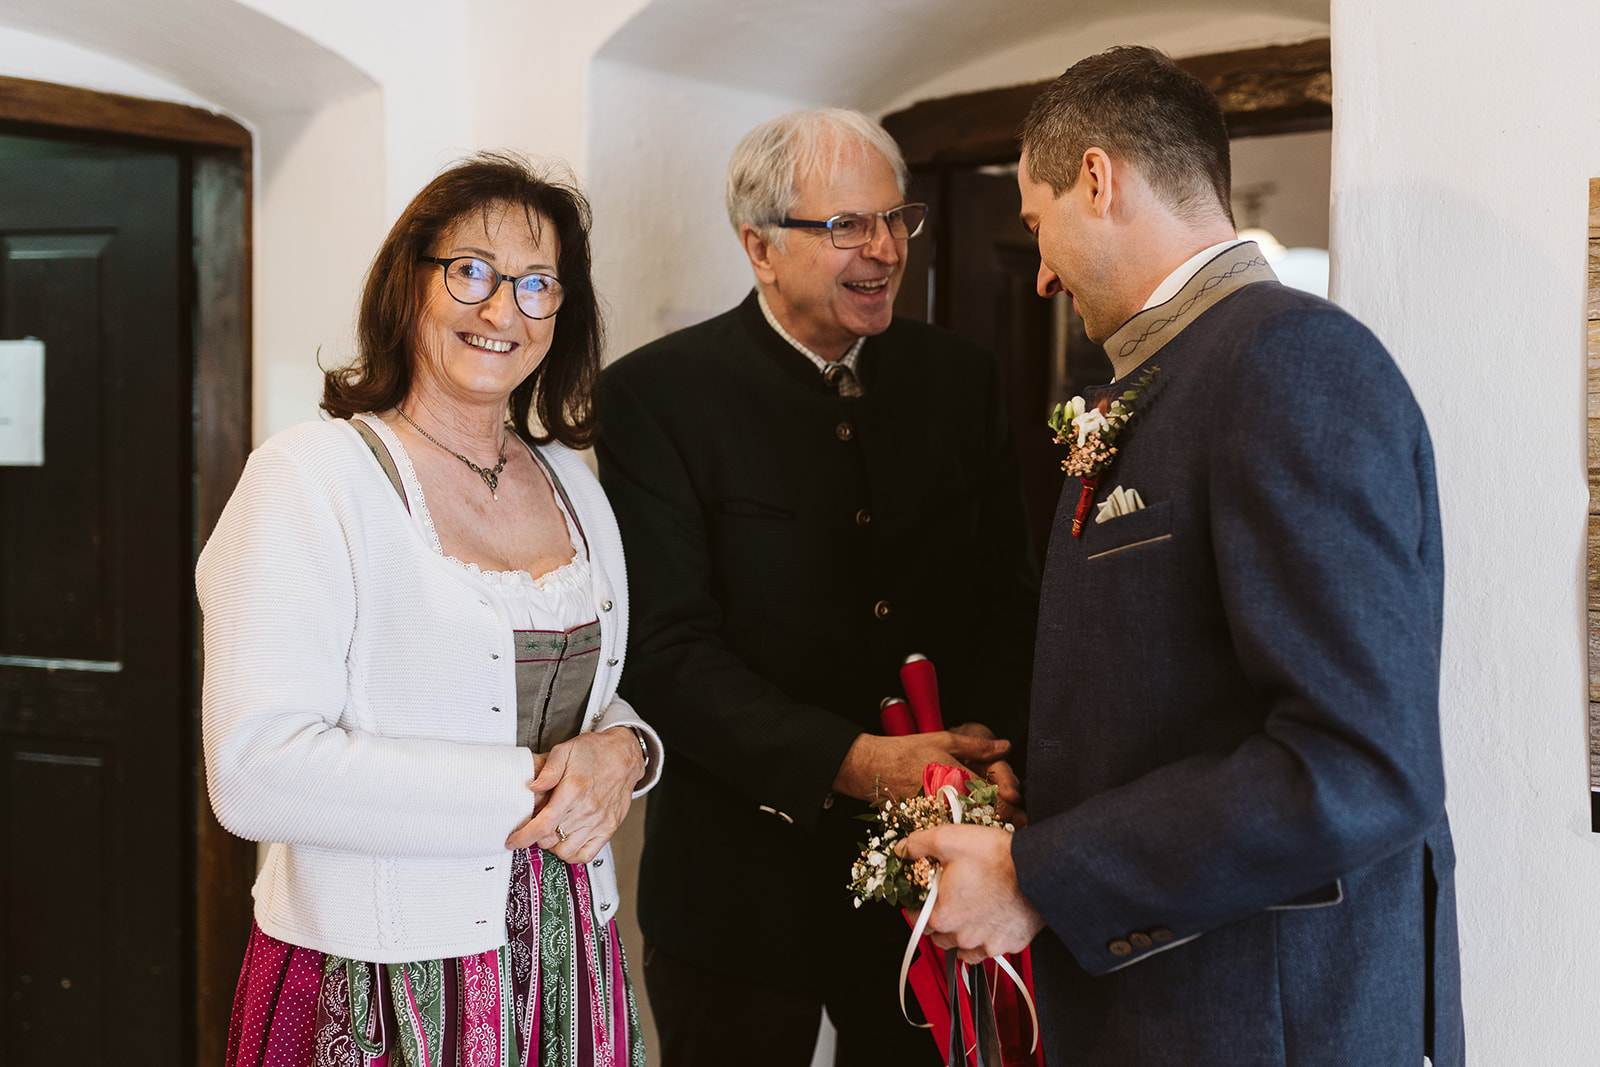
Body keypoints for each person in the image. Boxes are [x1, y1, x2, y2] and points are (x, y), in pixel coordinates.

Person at [902, 46, 1464, 1066]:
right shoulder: (1172, 373)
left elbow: (1358, 765)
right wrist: (1050, 793)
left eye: (1036, 225)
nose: (1039, 273)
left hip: (1263, 1021)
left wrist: (1039, 872)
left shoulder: (1287, 360)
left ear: (1098, 180)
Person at [594, 109, 1039, 1065]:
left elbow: (1011, 599)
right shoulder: (656, 397)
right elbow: (666, 651)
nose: (885, 249)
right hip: (740, 895)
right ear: (759, 246)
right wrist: (856, 760)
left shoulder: (961, 378)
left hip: (936, 879)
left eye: (895, 219)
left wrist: (991, 745)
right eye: (846, 226)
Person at [198, 153, 662, 1067]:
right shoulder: (310, 478)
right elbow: (256, 770)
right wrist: (535, 790)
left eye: (536, 283)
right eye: (472, 271)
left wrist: (629, 752)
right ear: (407, 283)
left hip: (571, 954)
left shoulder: (572, 482)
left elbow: (592, 700)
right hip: (382, 972)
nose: (503, 310)